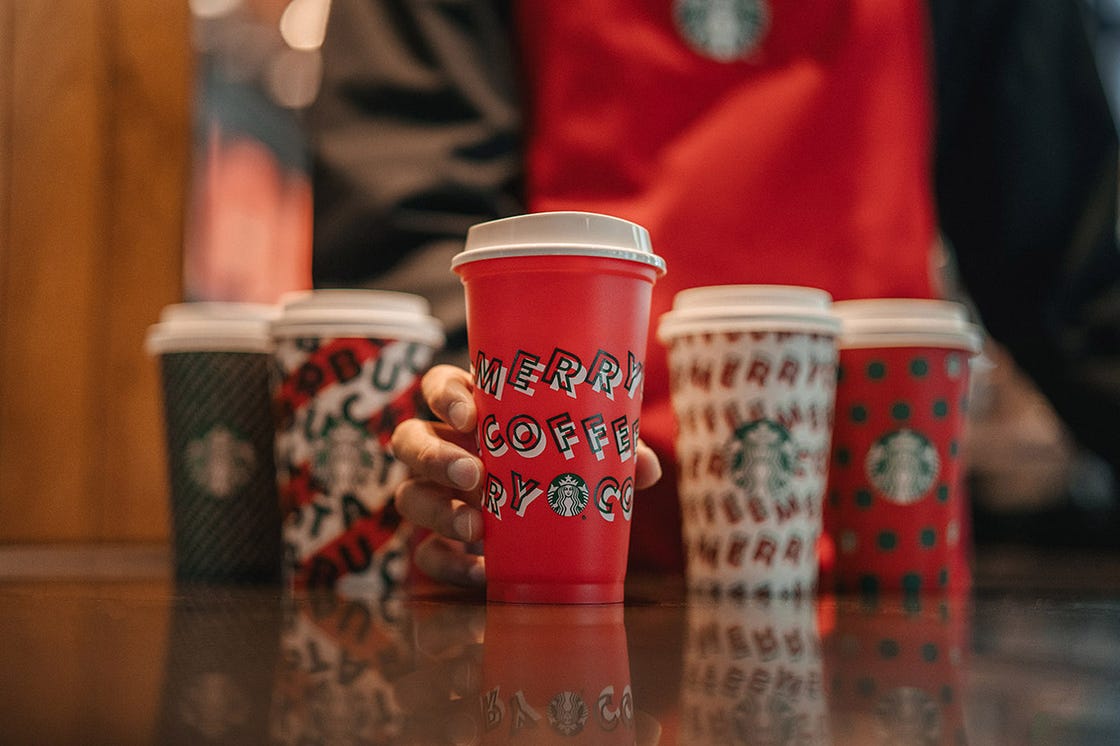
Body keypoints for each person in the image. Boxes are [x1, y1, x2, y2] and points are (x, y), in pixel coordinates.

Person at [305, 0, 1120, 586]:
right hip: (553, 575)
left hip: (880, 569)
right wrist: (467, 450)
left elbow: (1081, 270)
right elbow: (415, 229)